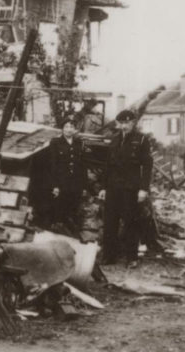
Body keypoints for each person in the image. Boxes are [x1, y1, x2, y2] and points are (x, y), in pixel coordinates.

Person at [99, 109, 152, 268]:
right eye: (121, 123)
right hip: (113, 188)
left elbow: (147, 166)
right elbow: (107, 166)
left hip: (131, 188)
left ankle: (132, 258)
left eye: (127, 123)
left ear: (133, 123)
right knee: (110, 223)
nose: (124, 126)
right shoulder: (114, 140)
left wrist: (143, 189)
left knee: (131, 223)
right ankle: (109, 256)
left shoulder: (141, 140)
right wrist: (103, 187)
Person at [48, 120, 87, 233]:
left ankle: (71, 230)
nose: (69, 129)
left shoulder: (79, 143)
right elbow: (53, 164)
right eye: (66, 126)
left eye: (72, 127)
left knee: (74, 206)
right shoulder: (55, 142)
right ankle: (59, 228)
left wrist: (84, 186)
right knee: (60, 206)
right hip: (61, 182)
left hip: (76, 182)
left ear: (75, 129)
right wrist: (55, 185)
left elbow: (83, 165)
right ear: (62, 129)